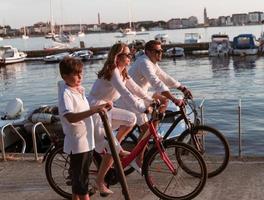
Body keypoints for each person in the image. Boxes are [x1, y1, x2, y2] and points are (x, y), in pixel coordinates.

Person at [88, 42, 153, 196]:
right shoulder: (113, 71)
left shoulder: (123, 72)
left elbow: (135, 89)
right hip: (96, 111)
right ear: (118, 57)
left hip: (107, 109)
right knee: (113, 149)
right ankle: (99, 181)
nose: (131, 57)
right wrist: (142, 107)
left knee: (131, 119)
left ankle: (114, 146)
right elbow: (124, 93)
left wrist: (150, 100)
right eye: (128, 55)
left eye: (131, 54)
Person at [57, 57, 111, 200]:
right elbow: (70, 117)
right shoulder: (66, 93)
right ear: (65, 76)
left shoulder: (78, 90)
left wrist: (100, 107)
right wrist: (94, 110)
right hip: (78, 143)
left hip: (87, 141)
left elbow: (84, 111)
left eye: (81, 73)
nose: (80, 76)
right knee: (82, 183)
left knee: (79, 181)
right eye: (76, 74)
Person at [129, 40, 192, 133]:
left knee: (164, 100)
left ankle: (154, 130)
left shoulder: (152, 62)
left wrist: (183, 88)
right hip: (132, 98)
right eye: (158, 51)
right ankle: (151, 134)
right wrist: (173, 99)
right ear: (149, 52)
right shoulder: (144, 62)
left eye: (161, 51)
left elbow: (164, 77)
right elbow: (156, 82)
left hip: (142, 93)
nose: (160, 53)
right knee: (147, 132)